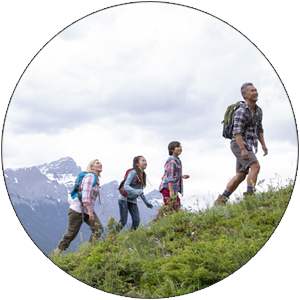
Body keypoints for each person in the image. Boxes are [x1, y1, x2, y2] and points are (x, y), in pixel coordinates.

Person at [215, 83, 268, 206]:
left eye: (255, 90)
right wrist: (243, 149)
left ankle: (221, 200)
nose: (255, 92)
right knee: (255, 166)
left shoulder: (258, 110)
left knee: (241, 175)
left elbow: (260, 129)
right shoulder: (241, 111)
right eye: (251, 91)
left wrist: (263, 145)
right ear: (244, 95)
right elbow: (237, 132)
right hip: (239, 144)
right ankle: (250, 197)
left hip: (249, 145)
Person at [55, 159, 104, 255]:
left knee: (98, 228)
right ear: (92, 167)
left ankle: (88, 253)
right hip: (77, 209)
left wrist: (89, 211)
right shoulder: (90, 176)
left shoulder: (97, 180)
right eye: (97, 163)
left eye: (100, 163)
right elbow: (85, 196)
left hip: (86, 209)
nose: (100, 164)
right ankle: (55, 258)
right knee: (70, 235)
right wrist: (90, 212)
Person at [117, 156, 153, 231]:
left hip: (132, 200)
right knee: (123, 221)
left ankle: (130, 237)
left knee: (136, 221)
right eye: (143, 161)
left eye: (145, 161)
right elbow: (126, 186)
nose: (145, 162)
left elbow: (140, 191)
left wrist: (146, 203)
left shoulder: (143, 175)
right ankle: (111, 237)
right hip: (124, 199)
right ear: (137, 164)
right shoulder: (133, 173)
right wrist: (137, 191)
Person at [158, 141, 190, 211]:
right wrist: (171, 191)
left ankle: (162, 221)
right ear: (172, 150)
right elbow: (170, 177)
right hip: (168, 188)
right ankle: (158, 221)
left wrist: (181, 177)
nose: (180, 148)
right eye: (178, 147)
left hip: (172, 188)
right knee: (170, 206)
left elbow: (173, 175)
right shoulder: (172, 162)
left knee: (176, 206)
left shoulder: (178, 161)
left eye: (181, 147)